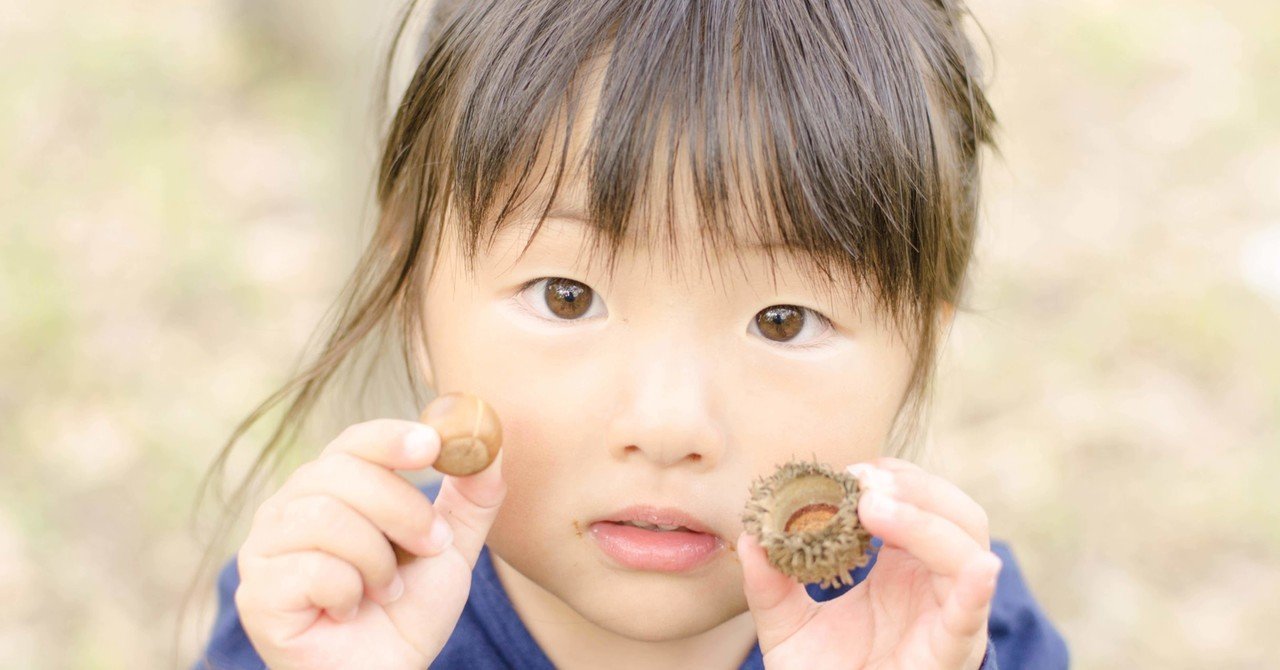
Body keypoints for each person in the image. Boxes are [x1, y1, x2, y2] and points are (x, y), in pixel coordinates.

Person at [191, 0, 1070, 667]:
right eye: (567, 297)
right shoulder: (324, 609)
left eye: (783, 320)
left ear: (921, 346)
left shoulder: (957, 632)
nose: (669, 423)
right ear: (414, 288)